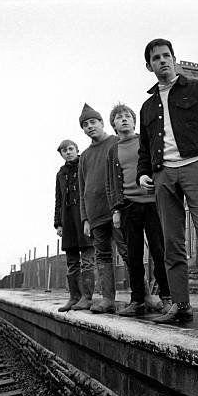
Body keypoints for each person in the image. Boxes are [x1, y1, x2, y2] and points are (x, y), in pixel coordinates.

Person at [137, 38, 198, 325]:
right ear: (149, 66)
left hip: (197, 168)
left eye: (167, 55)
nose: (162, 61)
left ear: (174, 59)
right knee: (172, 243)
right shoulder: (146, 107)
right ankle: (181, 305)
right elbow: (145, 148)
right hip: (163, 175)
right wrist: (144, 172)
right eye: (156, 58)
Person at [106, 103, 172, 316]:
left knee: (158, 251)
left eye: (127, 116)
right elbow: (111, 183)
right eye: (119, 117)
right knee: (133, 255)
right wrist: (116, 210)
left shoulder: (147, 140)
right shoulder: (113, 150)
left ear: (135, 121)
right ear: (114, 125)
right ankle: (137, 301)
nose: (124, 119)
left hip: (153, 203)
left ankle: (167, 297)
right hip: (129, 207)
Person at [77, 103, 120, 313]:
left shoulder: (116, 142)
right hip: (95, 215)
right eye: (85, 125)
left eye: (93, 122)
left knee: (128, 251)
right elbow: (82, 189)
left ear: (102, 123)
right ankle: (107, 299)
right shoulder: (83, 156)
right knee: (102, 256)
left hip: (117, 209)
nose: (89, 127)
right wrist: (85, 218)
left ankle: (143, 296)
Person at [54, 139, 95, 312]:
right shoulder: (61, 173)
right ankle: (74, 297)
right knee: (72, 261)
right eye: (64, 150)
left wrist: (90, 218)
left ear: (77, 150)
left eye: (71, 149)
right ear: (61, 154)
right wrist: (58, 223)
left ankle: (87, 297)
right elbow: (58, 199)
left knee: (87, 259)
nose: (68, 152)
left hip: (84, 216)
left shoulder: (84, 164)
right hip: (68, 220)